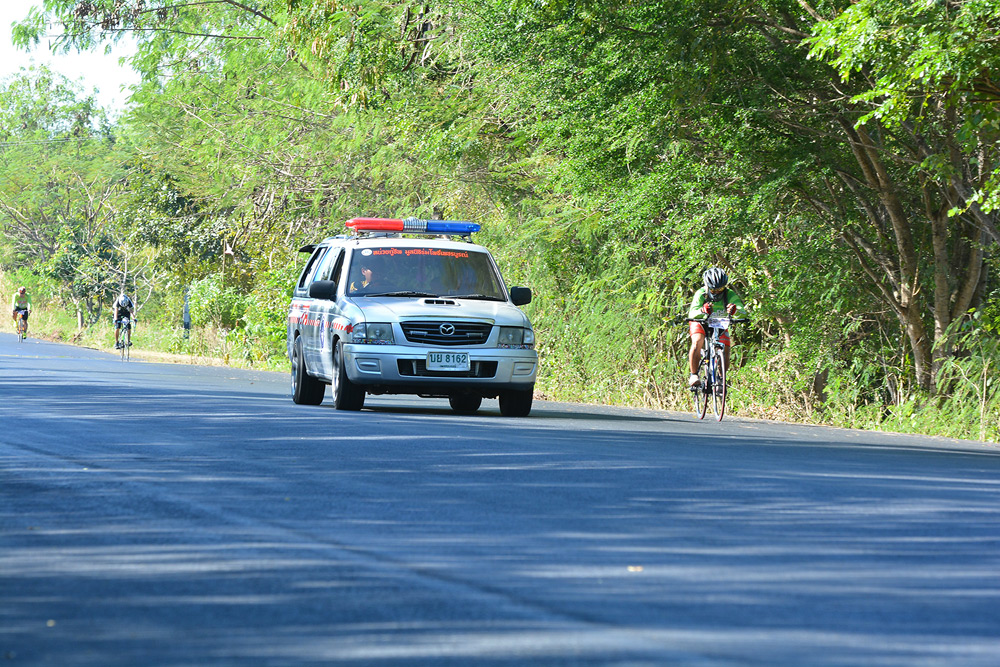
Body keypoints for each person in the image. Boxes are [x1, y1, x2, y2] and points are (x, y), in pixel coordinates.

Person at [688, 267, 747, 387]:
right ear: (707, 286)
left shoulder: (729, 294)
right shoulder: (701, 293)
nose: (716, 293)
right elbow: (692, 313)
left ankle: (720, 379)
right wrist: (702, 310)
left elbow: (743, 311)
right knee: (697, 341)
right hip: (701, 322)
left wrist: (735, 310)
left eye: (720, 289)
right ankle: (694, 375)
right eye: (713, 290)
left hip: (719, 324)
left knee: (726, 348)